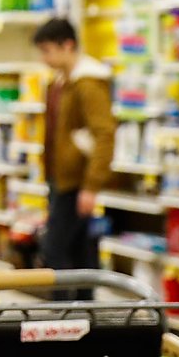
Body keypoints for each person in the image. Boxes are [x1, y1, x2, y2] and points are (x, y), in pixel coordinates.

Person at [32, 16, 115, 272]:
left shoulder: (88, 83)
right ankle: (83, 308)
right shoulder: (61, 82)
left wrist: (91, 186)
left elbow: (104, 134)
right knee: (80, 252)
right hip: (61, 178)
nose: (44, 58)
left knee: (55, 250)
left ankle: (62, 309)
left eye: (48, 50)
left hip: (76, 182)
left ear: (67, 45)